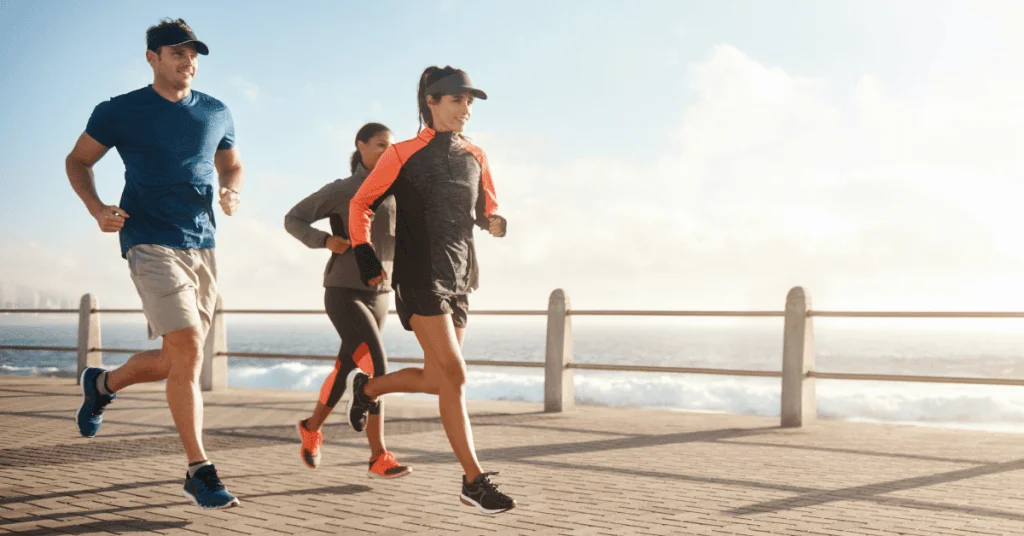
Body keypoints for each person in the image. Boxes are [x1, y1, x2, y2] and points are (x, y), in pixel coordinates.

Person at [64, 18, 243, 509]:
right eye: (177, 53)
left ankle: (101, 384)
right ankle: (199, 469)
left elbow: (232, 163)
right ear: (152, 58)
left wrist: (232, 190)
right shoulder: (119, 111)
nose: (188, 62)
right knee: (185, 346)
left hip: (201, 244)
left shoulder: (216, 111)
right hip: (147, 239)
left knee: (177, 359)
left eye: (194, 55)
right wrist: (98, 209)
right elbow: (77, 161)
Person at [343, 65, 516, 514]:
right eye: (457, 100)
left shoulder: (476, 154)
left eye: (469, 102)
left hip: (460, 278)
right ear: (431, 102)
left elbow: (486, 208)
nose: (466, 109)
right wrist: (365, 256)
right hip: (419, 278)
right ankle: (473, 481)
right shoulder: (401, 153)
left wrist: (494, 221)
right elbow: (361, 203)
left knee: (441, 380)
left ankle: (369, 388)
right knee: (456, 376)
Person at [283, 122, 411, 479]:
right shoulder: (343, 190)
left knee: (345, 368)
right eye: (379, 145)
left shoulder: (399, 191)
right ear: (361, 146)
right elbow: (293, 218)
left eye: (392, 146)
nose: (387, 152)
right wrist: (323, 240)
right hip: (343, 290)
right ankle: (378, 455)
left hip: (380, 295)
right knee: (377, 369)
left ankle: (311, 426)